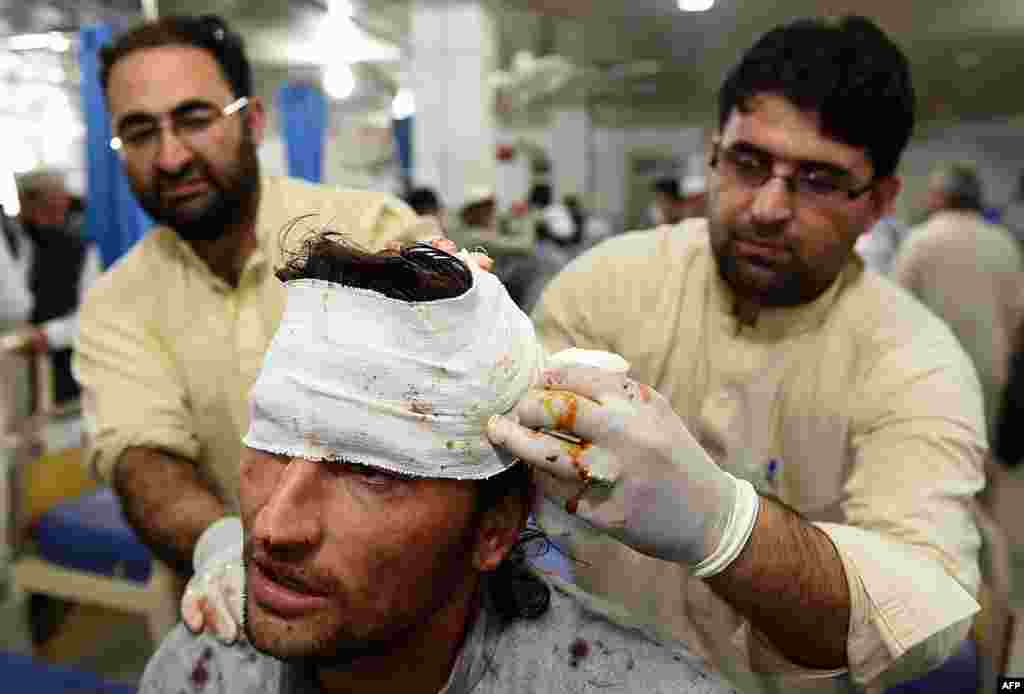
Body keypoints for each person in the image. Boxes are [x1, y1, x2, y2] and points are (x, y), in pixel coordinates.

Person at [488, 15, 986, 693]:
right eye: (748, 164)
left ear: (879, 204)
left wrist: (724, 527)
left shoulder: (916, 363)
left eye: (817, 180)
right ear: (714, 150)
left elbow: (916, 615)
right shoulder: (609, 287)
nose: (768, 208)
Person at [139, 236, 736, 694]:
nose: (273, 526)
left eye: (371, 471)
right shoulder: (204, 672)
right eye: (272, 440)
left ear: (495, 528)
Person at [72, 14, 437, 579]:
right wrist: (225, 554)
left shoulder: (370, 233)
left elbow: (465, 399)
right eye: (141, 132)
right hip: (244, 614)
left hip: (413, 586)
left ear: (255, 120)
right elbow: (142, 457)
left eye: (194, 119)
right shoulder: (117, 304)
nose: (171, 158)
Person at [892, 162, 1024, 435]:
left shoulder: (919, 240)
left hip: (935, 369)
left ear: (940, 197)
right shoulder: (1003, 242)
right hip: (990, 368)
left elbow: (896, 310)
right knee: (978, 448)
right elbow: (1018, 315)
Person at [3, 169, 102, 403]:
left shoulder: (80, 251)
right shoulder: (13, 242)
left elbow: (92, 318)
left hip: (62, 379)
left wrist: (48, 335)